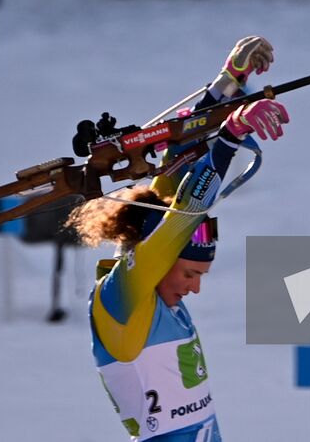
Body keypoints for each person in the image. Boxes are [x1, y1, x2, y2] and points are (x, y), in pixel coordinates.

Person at [66, 36, 291, 442]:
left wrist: (228, 82)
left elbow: (177, 163)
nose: (196, 288)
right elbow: (178, 220)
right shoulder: (122, 299)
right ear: (162, 257)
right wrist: (230, 137)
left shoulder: (151, 288)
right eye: (190, 272)